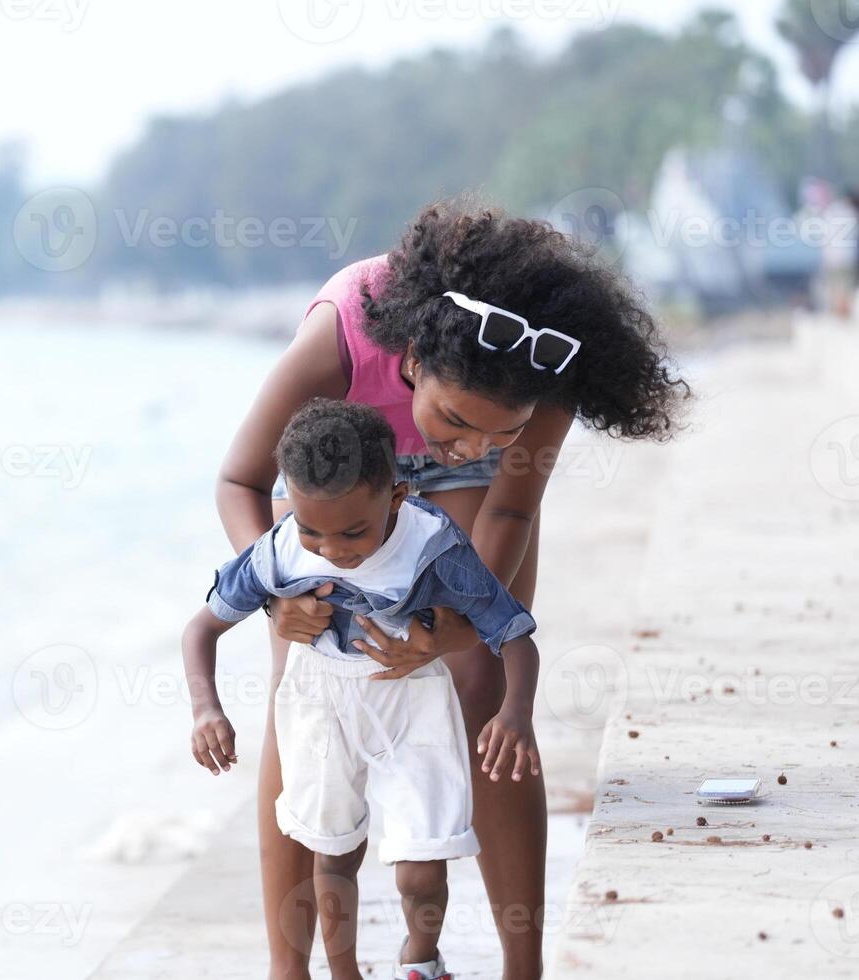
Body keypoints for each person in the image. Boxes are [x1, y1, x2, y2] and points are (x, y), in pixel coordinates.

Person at [215, 197, 688, 979]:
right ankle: (288, 967)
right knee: (304, 683)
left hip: (478, 491)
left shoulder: (544, 370)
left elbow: (509, 502)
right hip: (339, 477)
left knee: (478, 677)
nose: (473, 437)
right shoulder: (344, 338)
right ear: (413, 361)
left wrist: (456, 626)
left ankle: (521, 963)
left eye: (500, 427)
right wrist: (274, 598)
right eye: (456, 416)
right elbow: (239, 479)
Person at [184, 399, 542, 980]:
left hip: (411, 700)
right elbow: (202, 628)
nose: (334, 549)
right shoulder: (279, 549)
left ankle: (420, 959)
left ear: (397, 498)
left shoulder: (434, 546)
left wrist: (515, 713)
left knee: (422, 867)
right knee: (334, 851)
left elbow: (513, 632)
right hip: (320, 701)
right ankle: (344, 970)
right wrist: (206, 709)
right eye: (312, 530)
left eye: (354, 531)